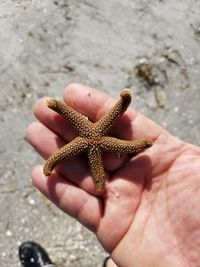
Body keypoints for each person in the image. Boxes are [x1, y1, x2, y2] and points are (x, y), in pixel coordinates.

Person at [24, 83, 200, 267]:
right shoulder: (92, 137)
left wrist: (125, 104)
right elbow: (117, 122)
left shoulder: (91, 140)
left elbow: (124, 137)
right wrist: (58, 108)